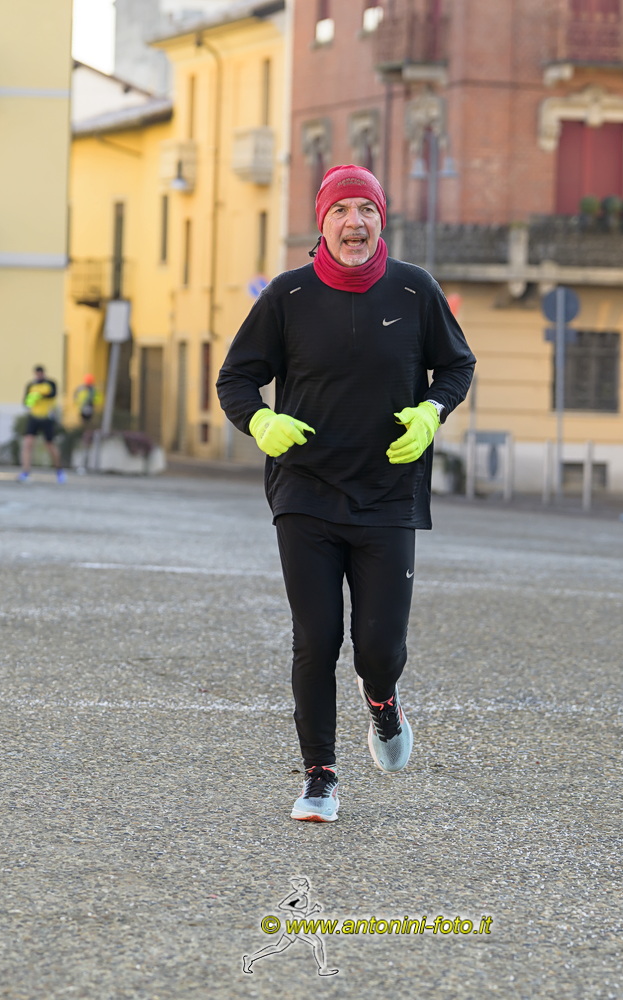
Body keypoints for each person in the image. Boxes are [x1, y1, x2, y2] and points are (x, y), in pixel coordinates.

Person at [216, 164, 475, 823]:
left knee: (379, 648)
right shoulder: (289, 295)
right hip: (305, 492)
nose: (354, 222)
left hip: (388, 493)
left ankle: (382, 702)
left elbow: (457, 365)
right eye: (340, 210)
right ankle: (320, 777)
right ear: (322, 222)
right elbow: (236, 379)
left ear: (381, 220)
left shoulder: (415, 290)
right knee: (316, 636)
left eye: (366, 210)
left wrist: (432, 413)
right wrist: (261, 421)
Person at [19, 364, 66, 484]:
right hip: (34, 417)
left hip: (47, 418)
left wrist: (39, 395)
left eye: (40, 373)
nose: (39, 376)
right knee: (27, 443)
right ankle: (25, 472)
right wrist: (31, 400)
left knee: (50, 445)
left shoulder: (50, 383)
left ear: (43, 373)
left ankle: (59, 471)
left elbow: (52, 394)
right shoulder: (31, 385)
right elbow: (26, 402)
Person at [73, 374, 104, 473]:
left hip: (90, 413)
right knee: (85, 432)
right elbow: (76, 398)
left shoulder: (93, 391)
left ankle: (87, 438)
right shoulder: (82, 389)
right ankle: (85, 437)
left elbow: (98, 401)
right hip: (83, 412)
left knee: (89, 432)